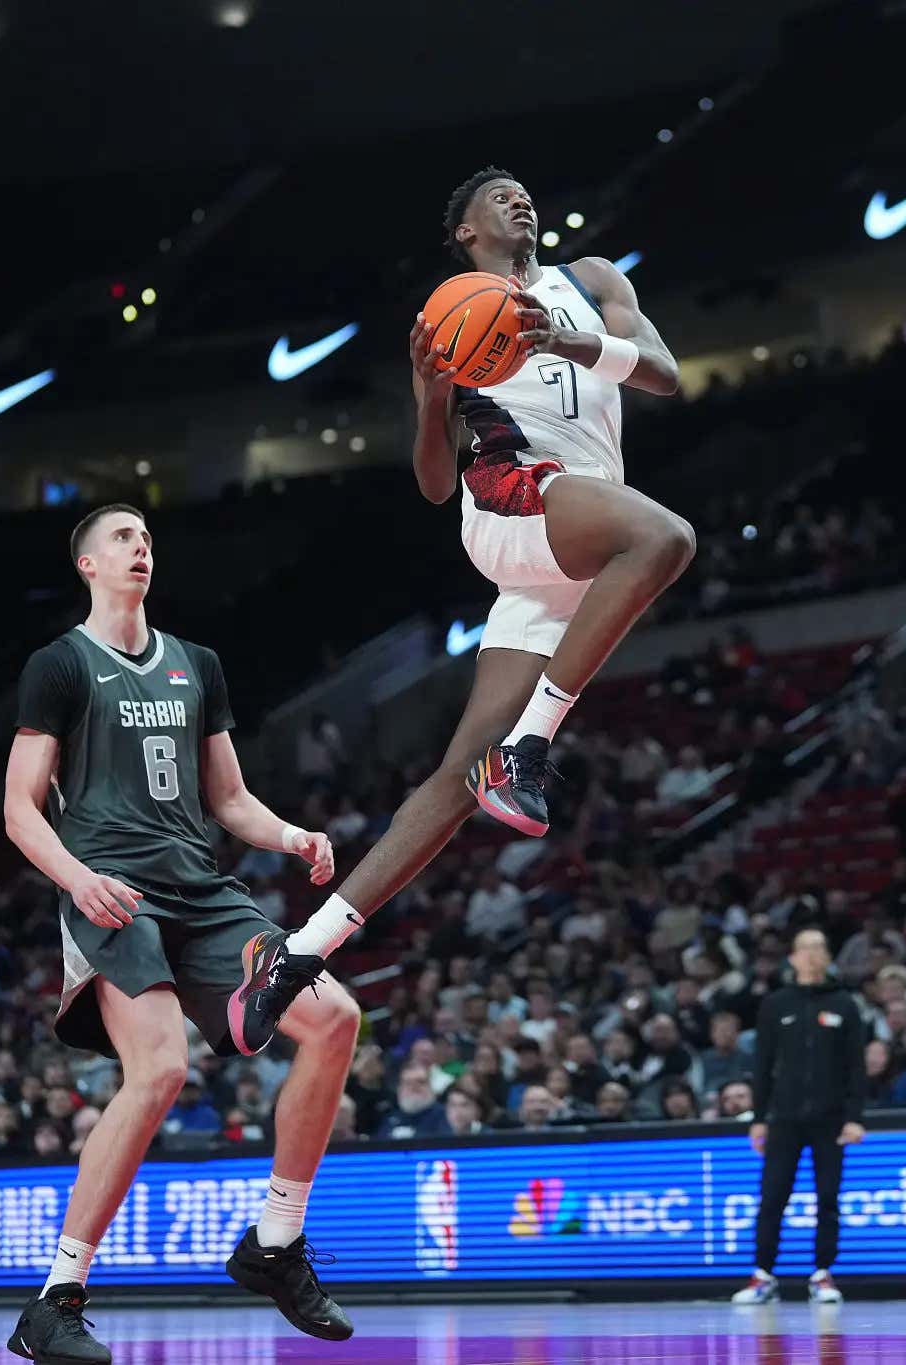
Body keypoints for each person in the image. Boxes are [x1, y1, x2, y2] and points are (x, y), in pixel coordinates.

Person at [261, 169, 693, 1016]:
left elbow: (666, 375)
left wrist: (566, 343)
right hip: (512, 502)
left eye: (527, 193)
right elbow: (431, 481)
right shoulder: (447, 318)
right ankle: (528, 749)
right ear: (464, 231)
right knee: (665, 536)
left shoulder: (593, 280)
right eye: (499, 197)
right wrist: (430, 400)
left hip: (576, 536)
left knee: (458, 776)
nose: (521, 200)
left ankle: (297, 953)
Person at [2, 504, 360, 1361]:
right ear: (86, 564)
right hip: (113, 891)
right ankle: (55, 1300)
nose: (141, 548)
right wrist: (79, 880)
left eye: (148, 539)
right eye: (122, 538)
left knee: (337, 1017)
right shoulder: (58, 665)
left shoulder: (196, 664)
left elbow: (229, 800)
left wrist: (292, 835)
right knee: (160, 1070)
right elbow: (19, 807)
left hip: (201, 886)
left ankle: (275, 1243)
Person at [731, 929, 867, 1306]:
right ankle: (763, 1274)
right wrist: (759, 1117)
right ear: (792, 957)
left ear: (827, 957)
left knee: (828, 1197)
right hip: (784, 1118)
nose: (811, 955)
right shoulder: (776, 1004)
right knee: (773, 1195)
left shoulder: (844, 1004)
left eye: (818, 948)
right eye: (804, 948)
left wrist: (854, 1117)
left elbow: (855, 1066)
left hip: (831, 1117)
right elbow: (762, 1065)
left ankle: (823, 1273)